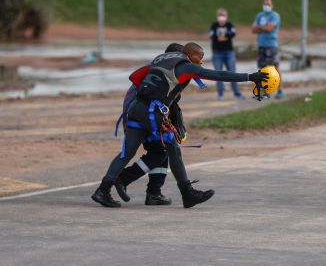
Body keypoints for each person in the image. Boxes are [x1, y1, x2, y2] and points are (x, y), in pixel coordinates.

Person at [92, 42, 268, 208]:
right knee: (173, 149)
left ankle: (102, 191)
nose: (202, 61)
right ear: (190, 55)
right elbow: (217, 75)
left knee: (127, 152)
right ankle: (187, 193)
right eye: (200, 57)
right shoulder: (185, 65)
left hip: (136, 108)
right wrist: (250, 76)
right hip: (152, 112)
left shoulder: (160, 59)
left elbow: (135, 76)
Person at [113, 43, 186, 206]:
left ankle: (154, 192)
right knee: (160, 152)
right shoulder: (166, 76)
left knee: (162, 151)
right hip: (143, 120)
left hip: (141, 118)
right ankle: (123, 179)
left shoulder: (157, 71)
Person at [252, 0, 283, 99]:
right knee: (263, 70)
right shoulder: (259, 15)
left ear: (272, 5)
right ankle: (266, 91)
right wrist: (264, 28)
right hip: (261, 45)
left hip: (271, 45)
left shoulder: (275, 15)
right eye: (265, 4)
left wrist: (260, 28)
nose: (266, 6)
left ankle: (279, 91)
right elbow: (253, 29)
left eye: (268, 4)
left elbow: (270, 28)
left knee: (275, 68)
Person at [209, 8, 243, 100]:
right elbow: (212, 36)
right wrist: (222, 37)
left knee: (232, 73)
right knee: (218, 74)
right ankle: (220, 94)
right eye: (220, 15)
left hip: (229, 53)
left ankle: (237, 93)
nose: (221, 17)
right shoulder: (214, 25)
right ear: (217, 16)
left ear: (226, 17)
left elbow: (232, 33)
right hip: (217, 53)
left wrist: (223, 36)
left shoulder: (229, 25)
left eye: (223, 15)